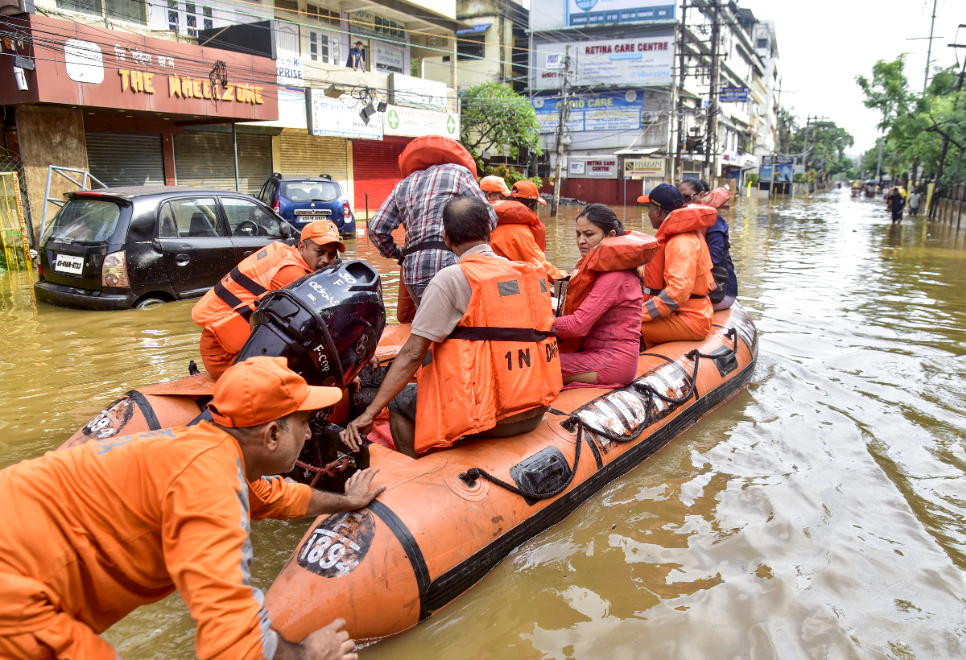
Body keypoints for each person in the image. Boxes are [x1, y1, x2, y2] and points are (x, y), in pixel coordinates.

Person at [0, 356, 384, 660]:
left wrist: (346, 501)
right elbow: (236, 647)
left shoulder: (201, 448)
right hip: (14, 590)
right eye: (303, 422)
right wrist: (307, 654)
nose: (307, 432)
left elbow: (274, 497)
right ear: (271, 435)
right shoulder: (208, 482)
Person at [344, 196, 561, 458]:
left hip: (493, 420)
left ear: (446, 238)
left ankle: (416, 471)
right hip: (535, 410)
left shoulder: (451, 279)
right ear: (490, 231)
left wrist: (370, 414)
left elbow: (413, 353)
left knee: (400, 400)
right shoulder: (525, 272)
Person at [193, 221, 345, 379]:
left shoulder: (286, 255)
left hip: (227, 347)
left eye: (332, 255)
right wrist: (343, 365)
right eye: (319, 252)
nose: (326, 260)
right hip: (225, 356)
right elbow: (320, 328)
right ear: (301, 247)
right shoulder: (291, 274)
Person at [369, 136, 496, 308]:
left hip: (413, 272)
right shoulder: (458, 174)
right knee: (459, 326)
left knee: (428, 325)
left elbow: (376, 229)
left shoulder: (403, 184)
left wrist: (398, 253)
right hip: (450, 264)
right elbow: (490, 218)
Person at [554, 204, 645, 388]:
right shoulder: (599, 269)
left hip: (611, 361)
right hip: (597, 354)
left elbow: (576, 326)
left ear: (610, 236)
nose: (581, 241)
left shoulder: (614, 276)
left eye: (589, 235)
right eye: (578, 234)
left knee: (537, 365)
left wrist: (535, 324)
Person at [637, 183, 717, 348]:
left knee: (627, 328)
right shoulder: (684, 235)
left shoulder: (681, 242)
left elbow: (676, 294)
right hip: (689, 313)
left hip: (689, 319)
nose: (648, 214)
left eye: (649, 208)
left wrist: (638, 314)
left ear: (657, 210)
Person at [486, 177, 567, 282]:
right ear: (530, 206)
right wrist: (565, 276)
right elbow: (540, 265)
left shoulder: (491, 222)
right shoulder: (520, 232)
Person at [678, 179, 738, 311]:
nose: (683, 202)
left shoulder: (714, 222)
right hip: (694, 287)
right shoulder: (684, 222)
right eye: (679, 197)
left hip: (721, 291)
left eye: (687, 197)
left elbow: (713, 258)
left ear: (701, 195)